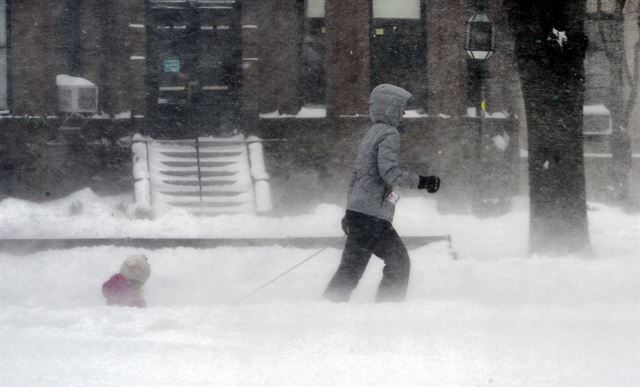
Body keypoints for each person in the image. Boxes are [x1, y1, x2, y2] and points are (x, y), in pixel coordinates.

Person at [323, 84, 440, 303]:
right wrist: (424, 181)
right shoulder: (389, 133)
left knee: (350, 270)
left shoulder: (371, 133)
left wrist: (350, 213)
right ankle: (388, 311)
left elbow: (356, 177)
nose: (403, 114)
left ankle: (324, 311)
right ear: (389, 109)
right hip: (372, 217)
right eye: (401, 108)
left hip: (361, 213)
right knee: (398, 262)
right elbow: (390, 173)